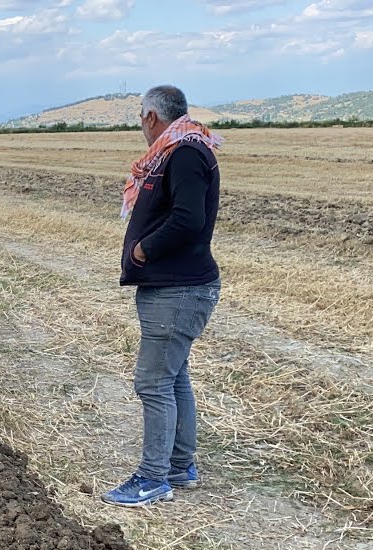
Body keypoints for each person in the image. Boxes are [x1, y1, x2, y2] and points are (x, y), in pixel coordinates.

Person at [103, 85, 223, 508]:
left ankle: (153, 478)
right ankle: (179, 465)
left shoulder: (184, 153)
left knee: (153, 382)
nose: (141, 124)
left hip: (179, 289)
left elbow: (189, 219)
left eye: (141, 116)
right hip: (175, 287)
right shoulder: (179, 150)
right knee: (175, 377)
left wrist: (143, 249)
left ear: (151, 117)